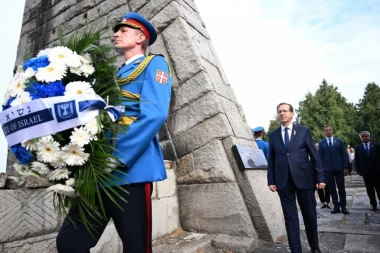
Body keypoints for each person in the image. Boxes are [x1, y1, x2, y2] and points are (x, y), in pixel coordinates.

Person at [56, 12, 172, 253]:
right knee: (69, 242)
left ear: (141, 37)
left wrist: (118, 156)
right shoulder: (114, 75)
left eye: (123, 31)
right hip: (98, 173)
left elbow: (155, 114)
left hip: (131, 170)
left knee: (136, 247)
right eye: (116, 31)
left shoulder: (153, 64)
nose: (116, 34)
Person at [267, 102, 325, 253]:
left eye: (285, 111)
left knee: (309, 214)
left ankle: (315, 247)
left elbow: (314, 155)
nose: (282, 113)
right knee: (290, 218)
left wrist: (321, 177)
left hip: (304, 179)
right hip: (283, 181)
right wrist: (271, 180)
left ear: (292, 114)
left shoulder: (303, 131)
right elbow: (271, 159)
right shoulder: (273, 135)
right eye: (279, 111)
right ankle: (295, 250)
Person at [318, 125, 350, 215]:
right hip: (328, 169)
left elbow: (344, 155)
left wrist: (345, 167)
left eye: (329, 130)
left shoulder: (339, 142)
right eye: (326, 130)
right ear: (324, 132)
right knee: (332, 189)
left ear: (332, 131)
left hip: (339, 168)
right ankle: (336, 205)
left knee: (341, 188)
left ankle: (343, 206)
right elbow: (320, 158)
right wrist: (321, 170)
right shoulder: (321, 143)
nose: (328, 131)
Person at [354, 131, 380, 211]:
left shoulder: (376, 146)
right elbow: (357, 160)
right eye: (363, 136)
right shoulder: (358, 147)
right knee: (370, 189)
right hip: (366, 172)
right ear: (361, 138)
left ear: (369, 137)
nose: (365, 137)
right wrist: (358, 170)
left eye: (366, 136)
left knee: (379, 188)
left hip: (377, 171)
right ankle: (373, 204)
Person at [314, 143, 331, 209]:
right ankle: (323, 202)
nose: (316, 148)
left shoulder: (324, 154)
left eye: (318, 147)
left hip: (325, 174)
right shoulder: (313, 155)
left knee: (327, 189)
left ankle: (327, 201)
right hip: (317, 175)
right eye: (315, 147)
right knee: (319, 190)